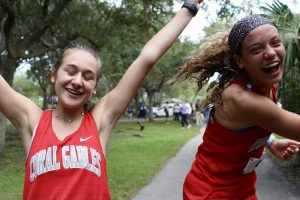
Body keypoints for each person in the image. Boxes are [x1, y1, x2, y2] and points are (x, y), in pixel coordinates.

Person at [0, 1, 204, 199]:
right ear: (54, 75)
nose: (77, 81)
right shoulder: (32, 120)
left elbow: (147, 58)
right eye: (70, 71)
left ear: (95, 88)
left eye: (88, 77)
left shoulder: (99, 120)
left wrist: (190, 6)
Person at [174, 14, 300, 199]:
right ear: (239, 60)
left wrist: (271, 142)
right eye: (256, 49)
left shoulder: (265, 80)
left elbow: (250, 124)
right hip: (210, 192)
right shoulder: (240, 98)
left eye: (275, 42)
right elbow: (265, 114)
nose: (271, 52)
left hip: (242, 188)